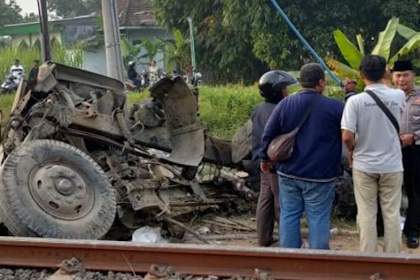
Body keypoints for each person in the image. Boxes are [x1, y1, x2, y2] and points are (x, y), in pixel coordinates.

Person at [260, 63, 344, 249]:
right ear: (321, 83)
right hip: (320, 176)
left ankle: (290, 259)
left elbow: (268, 133)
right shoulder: (335, 108)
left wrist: (264, 159)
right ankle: (317, 261)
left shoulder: (285, 104)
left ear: (300, 82)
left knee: (289, 215)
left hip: (289, 173)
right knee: (318, 217)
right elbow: (348, 134)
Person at [342, 55, 405, 253]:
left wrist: (352, 150)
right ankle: (393, 259)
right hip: (392, 165)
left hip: (364, 165)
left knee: (367, 213)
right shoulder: (399, 96)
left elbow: (346, 136)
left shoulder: (355, 101)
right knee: (392, 214)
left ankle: (368, 259)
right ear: (386, 72)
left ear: (361, 75)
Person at [252, 70, 297, 247]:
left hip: (261, 160)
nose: (288, 91)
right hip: (275, 162)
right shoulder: (281, 110)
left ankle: (263, 238)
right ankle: (287, 240)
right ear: (278, 91)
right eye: (285, 88)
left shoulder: (259, 108)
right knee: (281, 201)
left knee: (265, 199)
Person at [392, 60, 420, 249]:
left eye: (405, 75)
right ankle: (386, 229)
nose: (401, 79)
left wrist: (415, 136)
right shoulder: (388, 96)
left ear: (414, 76)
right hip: (390, 150)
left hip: (415, 150)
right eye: (398, 75)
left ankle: (412, 232)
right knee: (389, 191)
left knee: (415, 191)